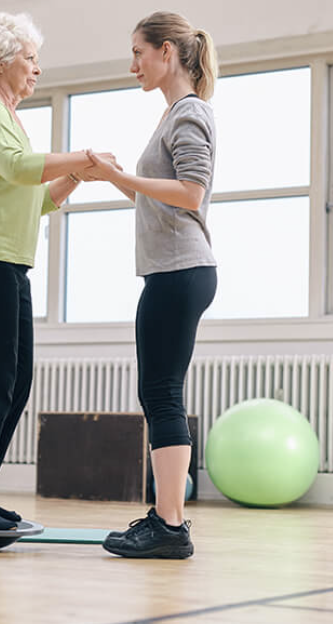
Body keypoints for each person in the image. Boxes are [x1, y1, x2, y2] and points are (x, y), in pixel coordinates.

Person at [0, 12, 115, 530]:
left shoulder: (11, 120)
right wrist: (79, 154)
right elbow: (19, 168)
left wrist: (78, 177)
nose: (38, 69)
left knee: (14, 385)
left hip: (9, 265)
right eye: (30, 58)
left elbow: (34, 199)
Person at [84, 11, 218, 558]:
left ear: (167, 52)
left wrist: (121, 176)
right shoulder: (174, 115)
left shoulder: (189, 113)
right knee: (158, 393)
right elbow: (158, 196)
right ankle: (168, 520)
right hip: (173, 270)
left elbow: (190, 192)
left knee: (162, 395)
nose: (132, 63)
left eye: (138, 51)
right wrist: (115, 180)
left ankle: (169, 525)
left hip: (181, 270)